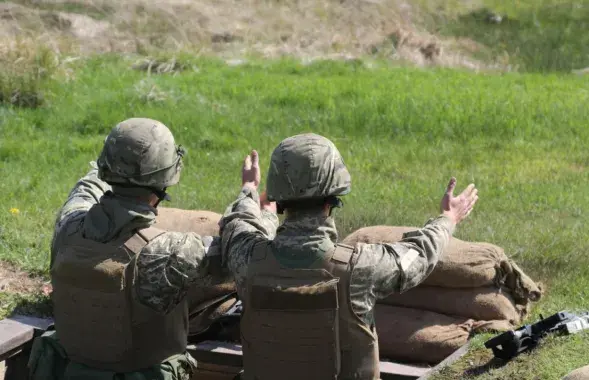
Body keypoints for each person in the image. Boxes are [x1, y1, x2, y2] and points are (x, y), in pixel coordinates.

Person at [219, 133, 479, 380]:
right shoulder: (360, 267)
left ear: (279, 196)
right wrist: (448, 219)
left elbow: (238, 222)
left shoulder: (247, 258)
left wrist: (249, 189)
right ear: (331, 200)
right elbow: (419, 256)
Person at [29, 118, 221, 380]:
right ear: (165, 180)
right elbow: (245, 251)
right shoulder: (174, 251)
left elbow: (84, 191)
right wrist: (250, 199)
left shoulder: (68, 228)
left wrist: (117, 161)